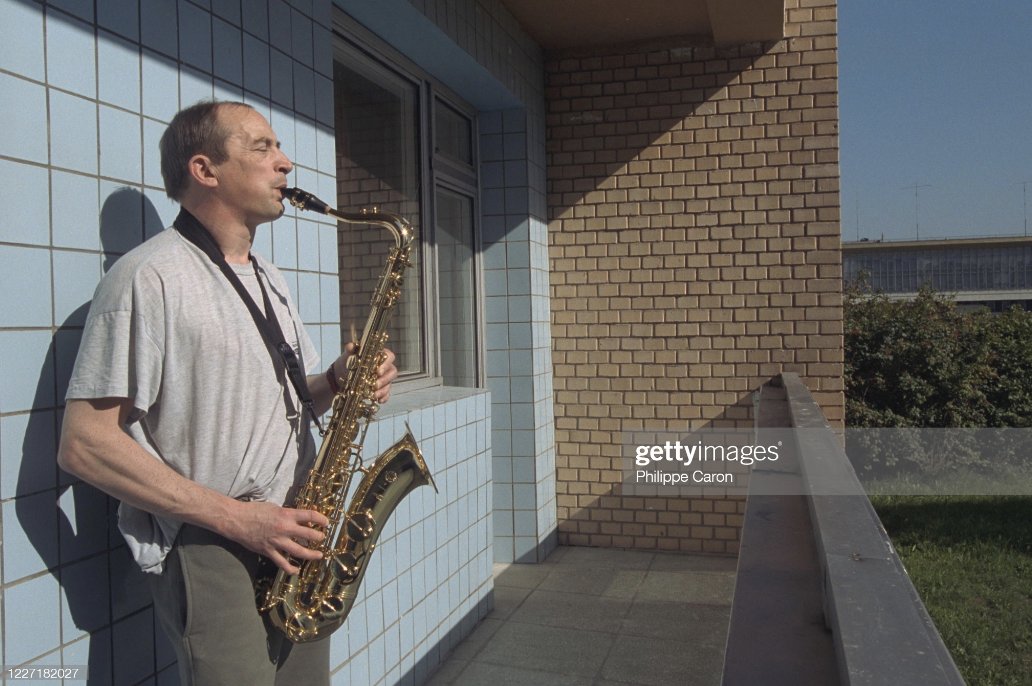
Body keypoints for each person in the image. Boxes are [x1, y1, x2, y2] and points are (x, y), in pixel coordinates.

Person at [57, 100, 397, 686]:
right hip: (218, 547)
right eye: (263, 148)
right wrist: (240, 521)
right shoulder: (148, 277)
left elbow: (286, 401)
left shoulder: (270, 278)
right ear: (204, 169)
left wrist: (339, 380)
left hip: (294, 538)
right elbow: (83, 445)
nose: (286, 164)